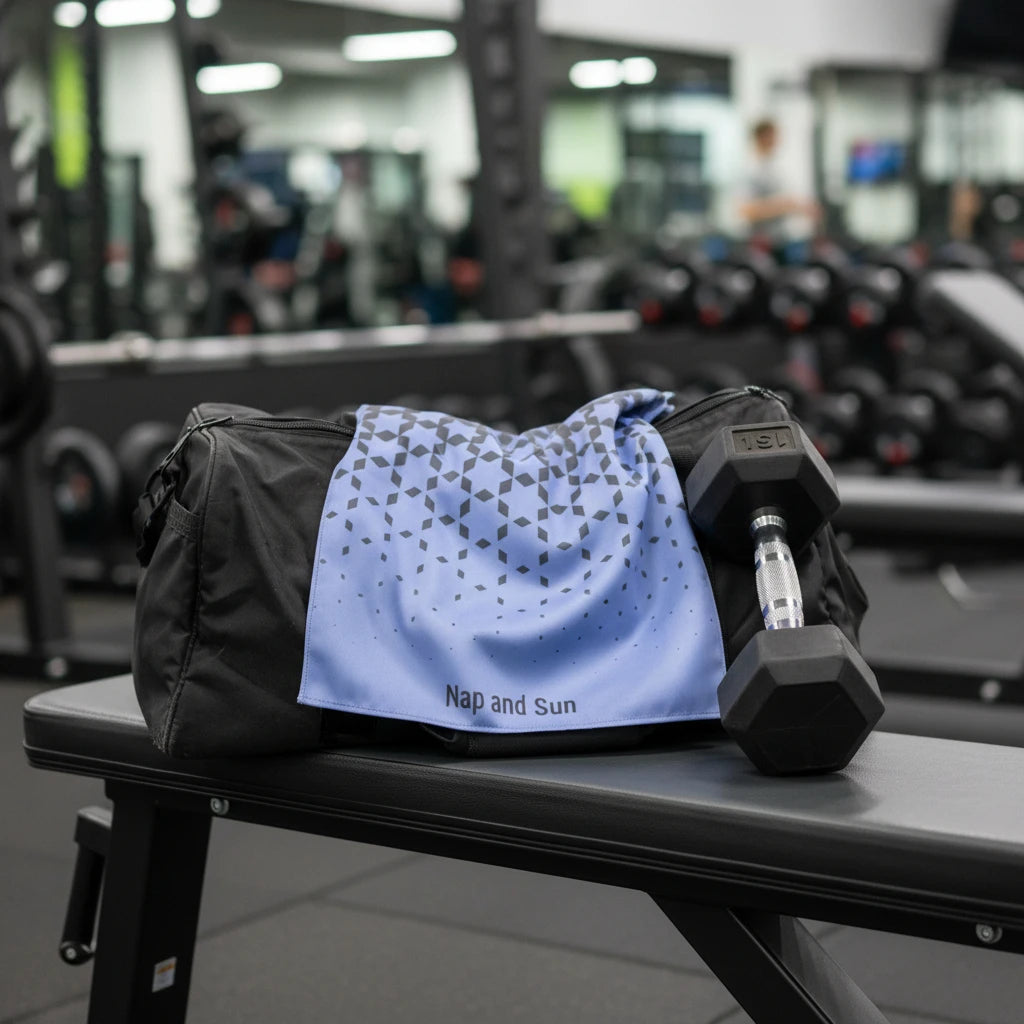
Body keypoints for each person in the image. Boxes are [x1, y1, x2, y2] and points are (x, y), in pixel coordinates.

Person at [737, 118, 821, 247]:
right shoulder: (750, 168)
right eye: (773, 136)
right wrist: (785, 205)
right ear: (762, 137)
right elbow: (746, 211)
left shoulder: (773, 167)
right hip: (760, 243)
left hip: (780, 239)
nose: (777, 140)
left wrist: (800, 206)